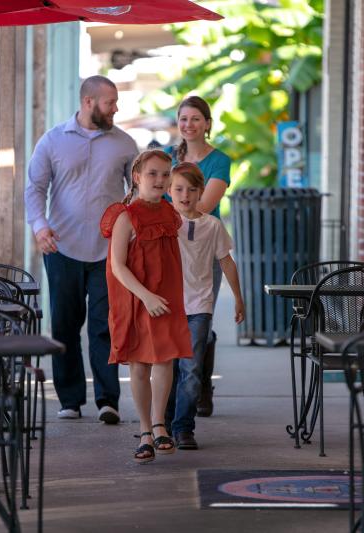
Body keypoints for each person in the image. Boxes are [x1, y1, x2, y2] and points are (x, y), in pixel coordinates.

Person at [25, 75, 138, 424]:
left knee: (105, 326)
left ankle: (108, 401)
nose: (116, 108)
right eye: (110, 102)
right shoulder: (53, 140)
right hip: (62, 248)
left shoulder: (124, 144)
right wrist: (39, 226)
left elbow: (136, 189)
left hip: (109, 252)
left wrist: (130, 229)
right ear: (88, 102)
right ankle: (70, 400)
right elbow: (34, 187)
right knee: (64, 326)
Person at [100, 150, 192, 464]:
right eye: (152, 174)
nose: (160, 180)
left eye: (166, 174)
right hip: (136, 298)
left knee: (165, 360)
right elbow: (117, 267)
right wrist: (146, 297)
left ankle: (160, 423)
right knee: (140, 365)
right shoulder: (125, 215)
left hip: (165, 296)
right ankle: (144, 431)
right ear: (137, 177)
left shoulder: (170, 212)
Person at [167, 162, 245, 449]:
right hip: (167, 306)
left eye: (191, 189)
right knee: (167, 369)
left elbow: (226, 260)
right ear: (168, 191)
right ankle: (162, 423)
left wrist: (238, 297)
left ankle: (184, 427)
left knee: (191, 369)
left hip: (199, 306)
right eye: (178, 189)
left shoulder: (212, 225)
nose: (185, 195)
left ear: (201, 192)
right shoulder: (164, 223)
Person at [165, 95, 232, 417]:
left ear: (207, 123)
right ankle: (179, 395)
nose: (188, 125)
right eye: (183, 118)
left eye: (195, 119)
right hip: (169, 248)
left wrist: (171, 209)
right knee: (175, 317)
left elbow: (202, 205)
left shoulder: (219, 161)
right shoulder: (167, 157)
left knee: (199, 319)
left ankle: (201, 384)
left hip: (204, 248)